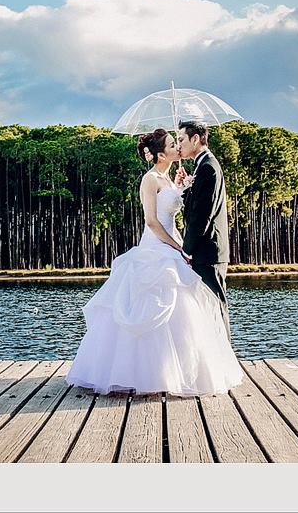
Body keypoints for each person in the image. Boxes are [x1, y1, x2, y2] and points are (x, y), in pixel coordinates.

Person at [65, 128, 243, 396]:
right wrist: (177, 246)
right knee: (150, 307)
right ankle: (141, 373)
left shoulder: (170, 179)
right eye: (173, 144)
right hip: (156, 247)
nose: (178, 147)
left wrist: (183, 188)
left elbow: (180, 208)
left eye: (178, 141)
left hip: (175, 244)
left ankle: (183, 370)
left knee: (184, 311)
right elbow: (151, 221)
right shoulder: (150, 180)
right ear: (162, 154)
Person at [176, 120, 232, 342]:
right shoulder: (202, 166)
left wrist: (186, 250)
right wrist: (184, 189)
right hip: (207, 251)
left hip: (209, 251)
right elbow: (196, 206)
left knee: (215, 304)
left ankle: (225, 359)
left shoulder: (208, 167)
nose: (179, 145)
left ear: (195, 139)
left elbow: (202, 216)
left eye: (181, 140)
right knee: (207, 306)